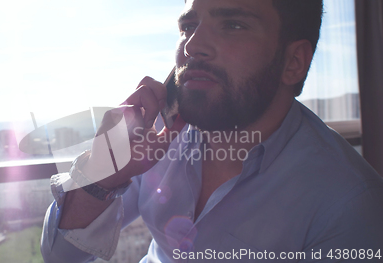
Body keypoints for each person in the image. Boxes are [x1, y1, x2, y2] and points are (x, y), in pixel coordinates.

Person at [41, 0, 383, 262]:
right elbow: (62, 256)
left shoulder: (351, 206)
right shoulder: (153, 135)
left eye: (233, 25)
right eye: (188, 26)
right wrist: (102, 175)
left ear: (293, 62)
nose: (191, 47)